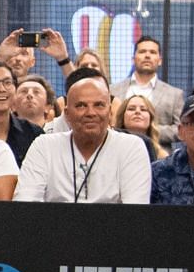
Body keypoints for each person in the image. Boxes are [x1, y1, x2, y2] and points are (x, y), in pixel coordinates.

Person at [14, 73, 153, 203]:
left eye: (99, 105)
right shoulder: (44, 146)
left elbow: (135, 213)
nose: (90, 113)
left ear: (110, 112)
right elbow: (25, 206)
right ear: (67, 114)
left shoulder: (131, 147)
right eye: (81, 106)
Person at [112, 36, 185, 131]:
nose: (147, 56)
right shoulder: (113, 90)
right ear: (133, 59)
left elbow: (181, 129)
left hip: (159, 145)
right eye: (142, 52)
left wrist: (149, 131)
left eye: (153, 52)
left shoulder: (175, 95)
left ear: (160, 60)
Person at [113, 93, 168, 161]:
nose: (137, 111)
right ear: (122, 116)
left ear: (150, 118)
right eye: (131, 109)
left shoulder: (163, 157)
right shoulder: (112, 147)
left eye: (143, 109)